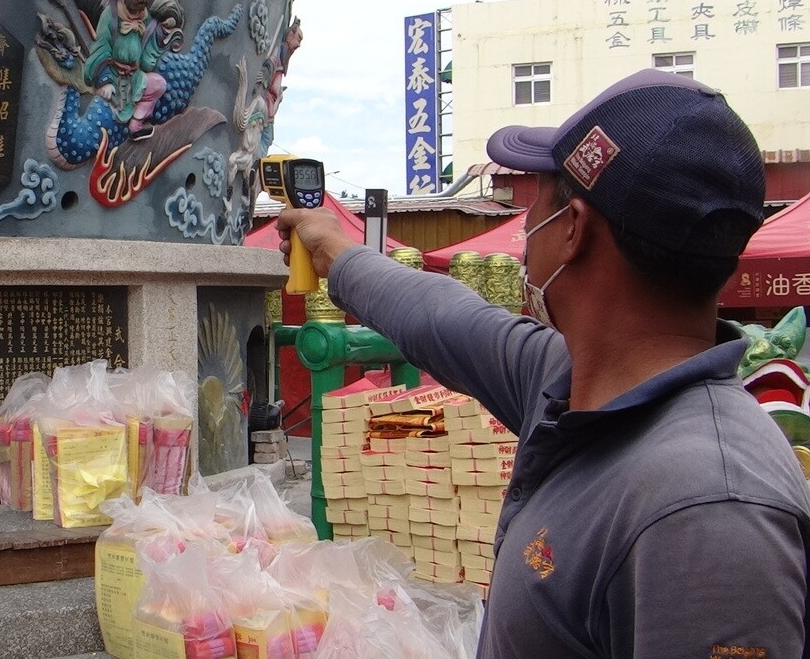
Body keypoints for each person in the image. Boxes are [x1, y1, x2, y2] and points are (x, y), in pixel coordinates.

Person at [277, 69, 810, 658]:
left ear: (573, 230)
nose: (526, 228)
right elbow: (445, 318)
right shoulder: (572, 380)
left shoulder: (707, 508)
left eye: (537, 205)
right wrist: (338, 253)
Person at [84, 0, 175, 141]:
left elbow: (148, 54)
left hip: (134, 78)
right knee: (103, 115)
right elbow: (101, 46)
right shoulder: (112, 14)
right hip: (113, 76)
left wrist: (162, 31)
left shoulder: (146, 17)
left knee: (159, 84)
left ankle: (136, 124)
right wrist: (104, 80)